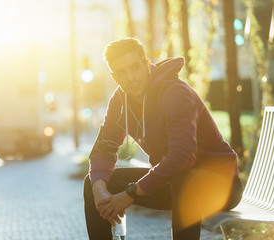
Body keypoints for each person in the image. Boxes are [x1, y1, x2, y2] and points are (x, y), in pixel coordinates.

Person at [83, 37, 243, 240]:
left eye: (135, 67)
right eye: (122, 72)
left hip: (222, 184)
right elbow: (104, 149)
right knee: (92, 182)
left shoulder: (174, 93)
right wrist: (99, 190)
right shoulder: (120, 101)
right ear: (115, 77)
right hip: (172, 182)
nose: (131, 77)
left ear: (146, 64)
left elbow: (182, 157)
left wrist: (130, 194)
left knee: (184, 179)